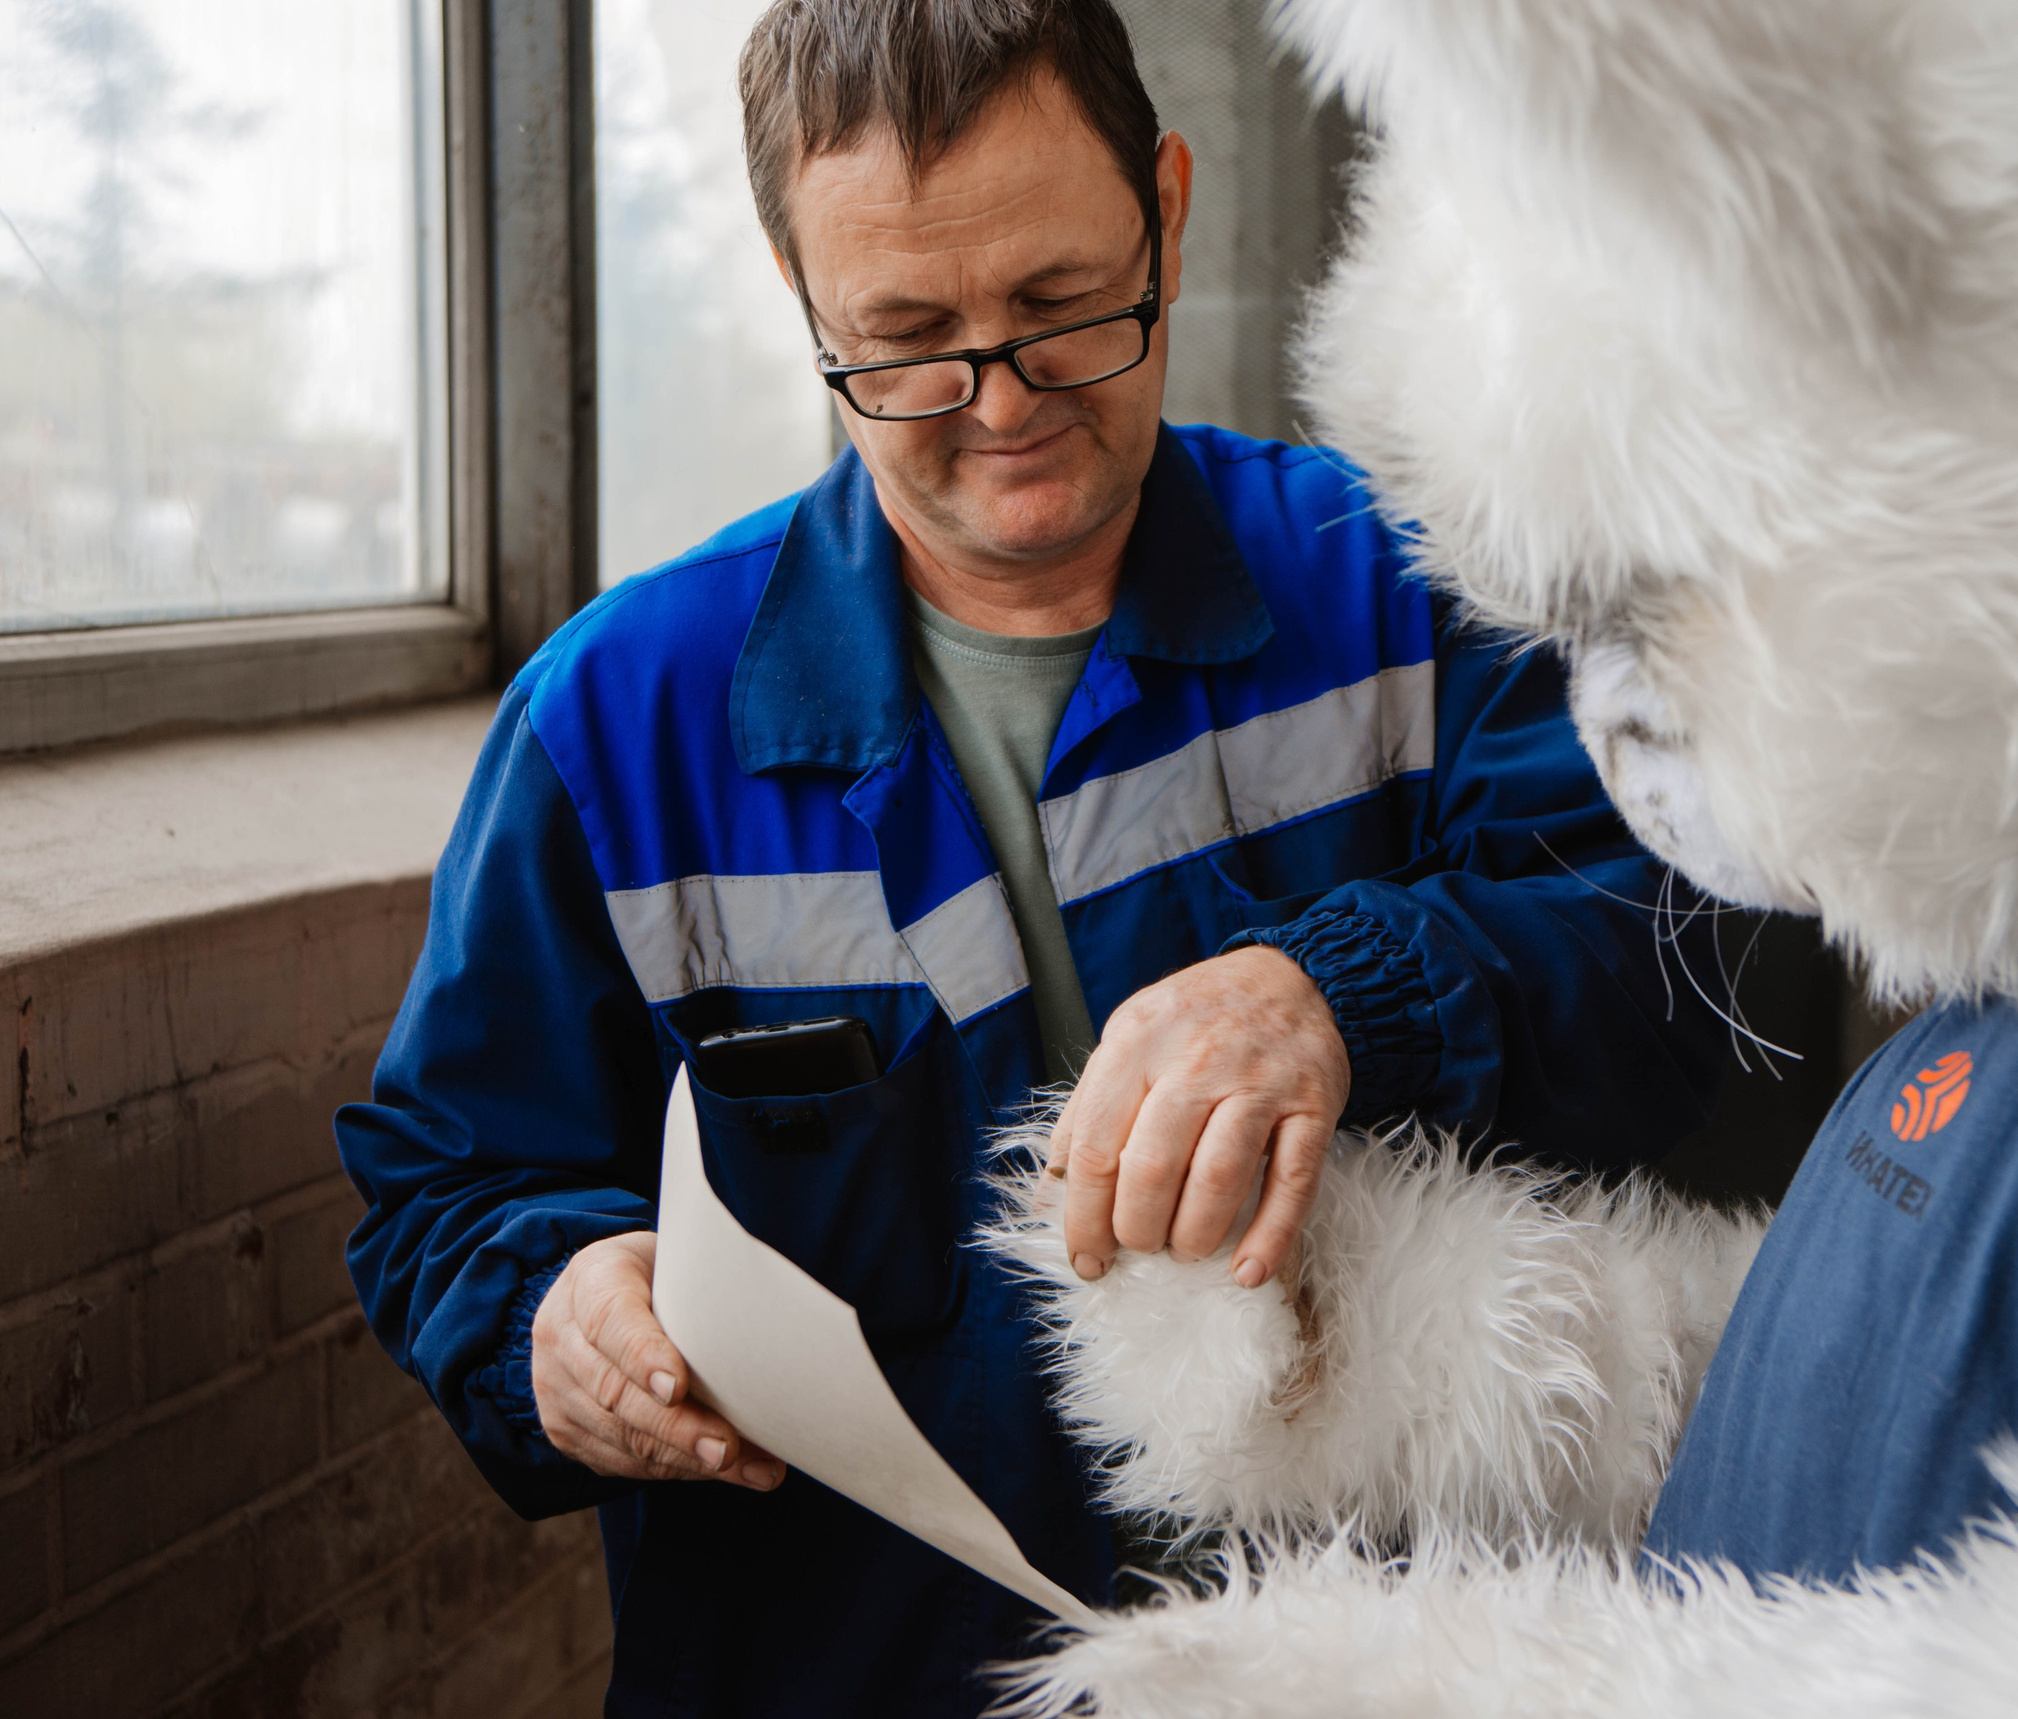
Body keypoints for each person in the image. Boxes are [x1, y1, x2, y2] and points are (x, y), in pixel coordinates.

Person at [989, 0, 2018, 1711]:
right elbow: (1896, 1387)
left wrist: (1390, 1684)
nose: (1615, 730)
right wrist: (1387, 1342)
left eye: (1658, 597)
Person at [335, 2, 1726, 1713]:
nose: (999, 407)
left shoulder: (1407, 581)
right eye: (905, 340)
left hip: (1402, 1661)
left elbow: (1686, 957)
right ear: (800, 292)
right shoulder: (613, 726)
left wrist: (1343, 993)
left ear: (1171, 205)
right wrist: (549, 1313)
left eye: (1065, 309)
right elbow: (449, 1183)